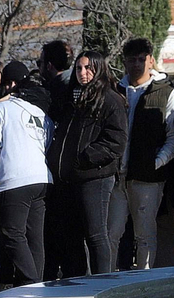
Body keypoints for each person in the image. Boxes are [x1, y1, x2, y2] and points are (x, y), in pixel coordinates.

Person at [45, 51, 126, 276]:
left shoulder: (110, 99)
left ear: (99, 69)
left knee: (96, 234)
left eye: (89, 68)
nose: (83, 73)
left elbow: (116, 141)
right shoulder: (70, 97)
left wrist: (85, 157)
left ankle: (102, 284)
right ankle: (77, 283)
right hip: (68, 179)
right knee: (72, 236)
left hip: (95, 177)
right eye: (79, 68)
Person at [107, 37, 174, 270]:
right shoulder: (115, 92)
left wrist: (156, 162)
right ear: (125, 62)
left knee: (145, 236)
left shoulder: (165, 93)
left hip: (148, 179)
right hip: (116, 177)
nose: (137, 64)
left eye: (141, 59)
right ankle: (107, 281)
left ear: (151, 61)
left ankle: (143, 285)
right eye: (131, 59)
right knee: (111, 234)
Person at [0, 61, 54, 287]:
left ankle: (31, 283)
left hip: (13, 178)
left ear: (10, 84)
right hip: (41, 178)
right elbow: (48, 141)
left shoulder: (0, 109)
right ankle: (37, 283)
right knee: (35, 237)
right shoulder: (41, 112)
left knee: (12, 233)